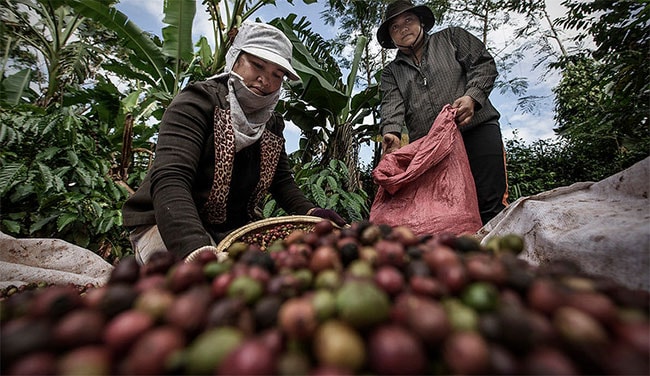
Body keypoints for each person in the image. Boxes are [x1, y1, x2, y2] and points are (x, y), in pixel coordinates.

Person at [122, 21, 346, 264]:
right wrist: (196, 249)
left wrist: (312, 213)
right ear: (235, 59)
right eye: (257, 65)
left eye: (277, 75)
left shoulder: (271, 124)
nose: (265, 80)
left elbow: (282, 183)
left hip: (234, 231)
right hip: (168, 223)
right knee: (195, 288)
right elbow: (171, 177)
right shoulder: (197, 103)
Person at [376, 0, 508, 225]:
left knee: (490, 204)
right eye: (394, 27)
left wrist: (472, 97)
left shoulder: (452, 38)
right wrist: (391, 133)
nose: (403, 28)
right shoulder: (392, 72)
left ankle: (497, 257)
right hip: (433, 147)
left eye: (408, 20)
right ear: (391, 37)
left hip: (477, 129)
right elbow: (391, 104)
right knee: (444, 210)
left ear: (421, 23)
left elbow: (484, 65)